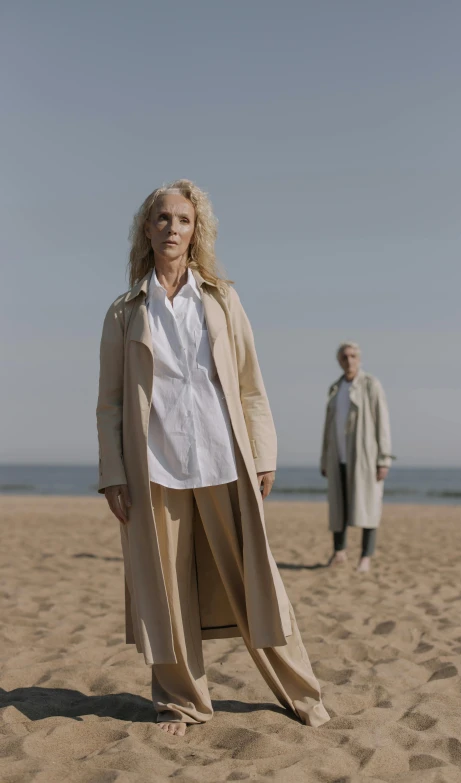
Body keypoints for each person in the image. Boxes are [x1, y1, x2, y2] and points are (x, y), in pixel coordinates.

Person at [97, 179, 329, 736]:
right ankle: (183, 703)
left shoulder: (222, 298)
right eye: (161, 219)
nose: (171, 228)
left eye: (182, 219)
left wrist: (264, 454)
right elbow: (110, 402)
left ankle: (301, 693)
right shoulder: (125, 311)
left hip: (227, 461)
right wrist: (113, 476)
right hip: (155, 469)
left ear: (195, 230)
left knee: (259, 584)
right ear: (146, 229)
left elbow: (250, 384)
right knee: (167, 595)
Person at [320, 342, 393, 571]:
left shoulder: (371, 385)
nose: (349, 360)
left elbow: (383, 422)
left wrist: (384, 458)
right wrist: (324, 459)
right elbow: (327, 427)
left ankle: (365, 557)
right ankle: (339, 553)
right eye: (344, 357)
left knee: (368, 505)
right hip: (337, 457)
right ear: (339, 361)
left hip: (364, 457)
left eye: (353, 356)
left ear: (359, 359)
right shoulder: (335, 388)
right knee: (337, 507)